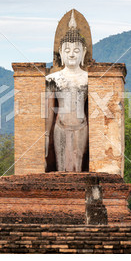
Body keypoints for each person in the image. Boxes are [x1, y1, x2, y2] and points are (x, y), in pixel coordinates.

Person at [45, 11, 88, 172]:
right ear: (61, 53)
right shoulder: (53, 78)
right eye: (67, 50)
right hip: (60, 125)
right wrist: (45, 135)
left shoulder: (89, 79)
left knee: (78, 165)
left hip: (81, 125)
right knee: (61, 167)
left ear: (83, 53)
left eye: (76, 51)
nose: (71, 54)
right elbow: (49, 110)